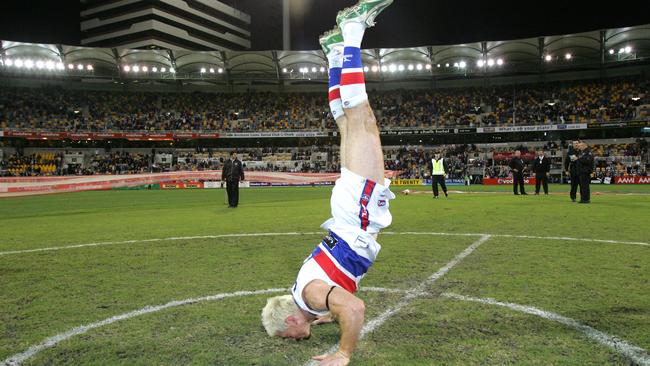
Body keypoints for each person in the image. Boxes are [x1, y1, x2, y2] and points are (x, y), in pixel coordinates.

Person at [261, 2, 395, 365]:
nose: (291, 339)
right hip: (348, 212)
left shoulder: (313, 294)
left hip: (357, 214)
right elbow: (328, 307)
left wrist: (343, 353)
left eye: (286, 335)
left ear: (290, 319)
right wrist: (323, 315)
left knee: (361, 118)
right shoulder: (302, 294)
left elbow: (353, 308)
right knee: (350, 124)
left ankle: (352, 33)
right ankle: (336, 52)